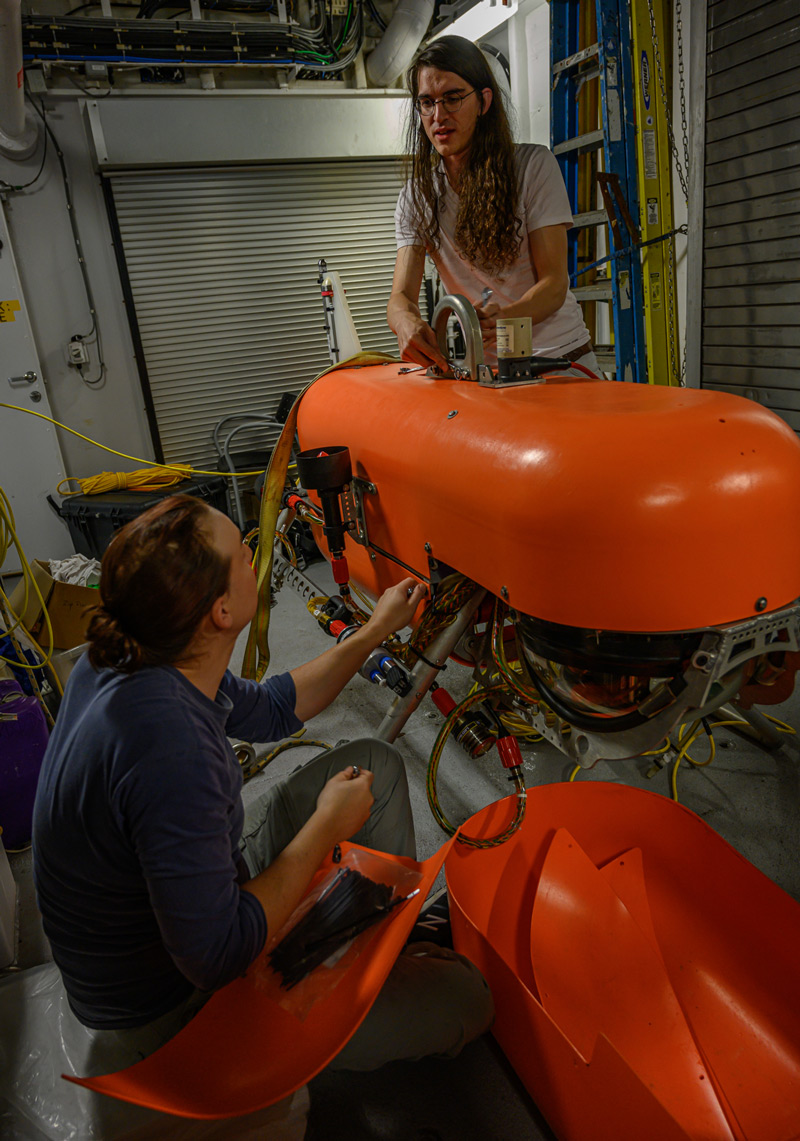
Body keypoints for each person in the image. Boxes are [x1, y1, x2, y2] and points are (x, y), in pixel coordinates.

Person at [31, 495, 493, 1139]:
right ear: (221, 612)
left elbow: (275, 706)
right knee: (468, 1000)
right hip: (169, 1008)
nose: (256, 549)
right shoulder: (170, 749)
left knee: (374, 765)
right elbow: (216, 956)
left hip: (183, 911)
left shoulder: (137, 652)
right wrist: (325, 828)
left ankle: (371, 955)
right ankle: (358, 984)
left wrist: (375, 631)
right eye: (242, 552)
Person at [388, 35, 597, 375]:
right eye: (427, 102)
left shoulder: (531, 166)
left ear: (484, 101)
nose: (438, 115)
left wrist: (508, 318)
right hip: (490, 371)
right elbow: (400, 297)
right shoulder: (418, 195)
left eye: (452, 99)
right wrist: (405, 322)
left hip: (560, 358)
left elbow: (554, 284)